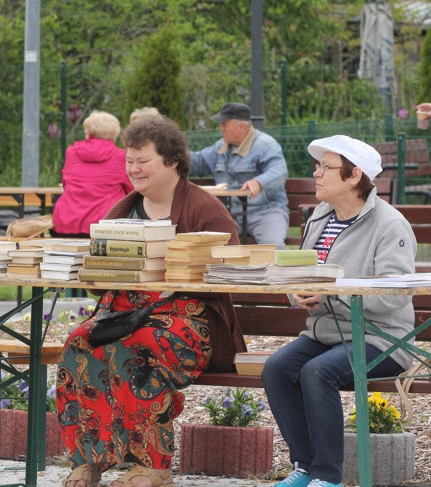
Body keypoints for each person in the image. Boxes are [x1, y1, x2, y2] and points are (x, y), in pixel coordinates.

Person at [56, 115, 245, 487]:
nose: (134, 168)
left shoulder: (204, 209)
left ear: (172, 161)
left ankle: (154, 466)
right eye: (130, 161)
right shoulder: (122, 211)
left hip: (188, 324)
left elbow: (232, 276)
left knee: (135, 348)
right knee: (77, 343)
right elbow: (98, 285)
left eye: (143, 160)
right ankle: (88, 459)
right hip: (126, 316)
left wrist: (177, 272)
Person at [262, 135, 416, 487]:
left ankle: (328, 477)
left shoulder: (390, 225)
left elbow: (396, 293)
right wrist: (296, 293)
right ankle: (304, 467)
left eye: (325, 167)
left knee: (317, 372)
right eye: (317, 166)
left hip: (381, 339)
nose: (316, 173)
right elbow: (301, 272)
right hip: (326, 334)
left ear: (353, 175)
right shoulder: (320, 217)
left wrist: (332, 293)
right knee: (277, 367)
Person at [189, 102, 289, 248]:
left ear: (242, 126)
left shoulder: (266, 145)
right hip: (229, 215)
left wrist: (258, 182)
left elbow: (280, 171)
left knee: (273, 247)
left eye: (224, 124)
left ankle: (276, 272)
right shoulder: (219, 147)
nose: (221, 128)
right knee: (211, 247)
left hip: (265, 212)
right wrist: (173, 152)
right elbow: (198, 162)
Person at [52, 110, 132, 237]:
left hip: (66, 221)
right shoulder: (120, 156)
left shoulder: (71, 152)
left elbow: (66, 183)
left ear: (88, 131)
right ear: (115, 132)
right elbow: (132, 189)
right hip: (104, 224)